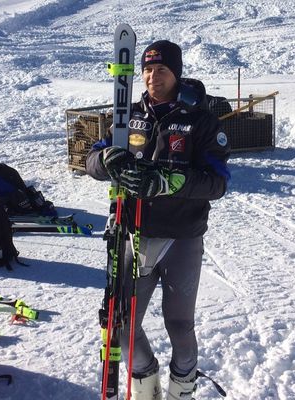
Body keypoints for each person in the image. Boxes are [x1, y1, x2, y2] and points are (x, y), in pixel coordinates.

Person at [86, 40, 230, 400]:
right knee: (123, 326)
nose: (152, 77)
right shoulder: (128, 116)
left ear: (176, 74)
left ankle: (181, 390)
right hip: (135, 233)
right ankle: (145, 384)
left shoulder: (201, 120)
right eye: (147, 70)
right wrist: (105, 162)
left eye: (161, 70)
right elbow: (93, 158)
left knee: (179, 325)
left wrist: (171, 181)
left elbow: (216, 182)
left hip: (182, 236)